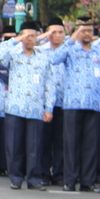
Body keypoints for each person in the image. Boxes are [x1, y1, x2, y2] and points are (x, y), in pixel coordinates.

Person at [46, 17, 100, 192]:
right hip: (73, 103)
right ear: (77, 32)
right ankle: (70, 180)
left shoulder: (99, 52)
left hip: (94, 103)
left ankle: (88, 181)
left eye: (90, 31)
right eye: (83, 30)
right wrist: (71, 39)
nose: (87, 34)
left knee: (91, 145)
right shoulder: (70, 49)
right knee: (71, 143)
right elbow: (54, 59)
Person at [0, 21, 54, 190]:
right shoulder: (13, 53)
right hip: (15, 106)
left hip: (35, 108)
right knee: (14, 146)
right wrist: (15, 40)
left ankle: (34, 179)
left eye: (33, 36)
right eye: (27, 36)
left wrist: (48, 108)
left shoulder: (43, 57)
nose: (30, 39)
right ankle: (15, 177)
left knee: (34, 146)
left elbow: (50, 83)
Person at [39, 17, 67, 184]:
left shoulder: (70, 50)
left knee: (61, 141)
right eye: (53, 32)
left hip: (65, 103)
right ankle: (42, 174)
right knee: (43, 141)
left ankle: (60, 174)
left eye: (60, 32)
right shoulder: (40, 51)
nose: (57, 35)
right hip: (44, 103)